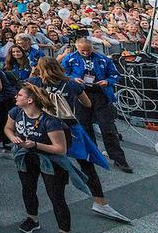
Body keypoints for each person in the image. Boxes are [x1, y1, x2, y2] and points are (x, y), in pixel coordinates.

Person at [28, 57, 129, 223]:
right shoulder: (71, 83)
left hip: (45, 129)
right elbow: (87, 104)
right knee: (86, 164)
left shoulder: (34, 82)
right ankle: (99, 201)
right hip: (69, 127)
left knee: (48, 169)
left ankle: (37, 216)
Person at [5, 84, 88, 233]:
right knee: (28, 188)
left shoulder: (50, 121)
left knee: (56, 196)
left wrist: (35, 144)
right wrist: (13, 137)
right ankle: (32, 218)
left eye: (20, 95)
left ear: (30, 100)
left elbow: (60, 149)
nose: (16, 97)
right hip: (26, 156)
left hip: (50, 161)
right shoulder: (16, 112)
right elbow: (8, 128)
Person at [61, 37, 131, 173]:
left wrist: (107, 81)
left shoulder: (103, 58)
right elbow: (63, 73)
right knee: (85, 126)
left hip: (100, 94)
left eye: (88, 50)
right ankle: (92, 155)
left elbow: (115, 75)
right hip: (81, 93)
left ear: (92, 47)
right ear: (77, 48)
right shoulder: (70, 58)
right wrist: (72, 79)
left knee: (108, 127)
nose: (86, 53)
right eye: (82, 51)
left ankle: (118, 158)